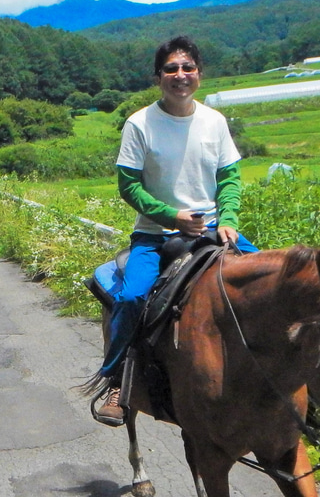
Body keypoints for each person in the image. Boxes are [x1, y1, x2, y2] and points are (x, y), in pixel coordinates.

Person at [96, 35, 257, 425]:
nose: (180, 75)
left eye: (188, 68)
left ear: (199, 74)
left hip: (213, 229)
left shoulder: (214, 121)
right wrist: (172, 217)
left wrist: (230, 220)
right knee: (133, 296)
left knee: (271, 284)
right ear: (158, 77)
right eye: (171, 69)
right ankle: (118, 380)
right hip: (154, 234)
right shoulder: (139, 124)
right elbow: (128, 186)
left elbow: (230, 178)